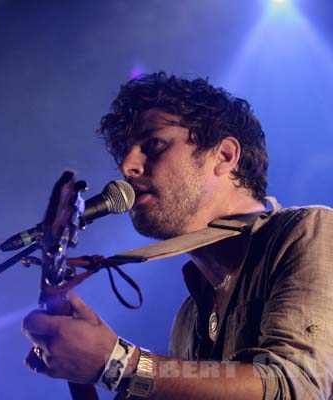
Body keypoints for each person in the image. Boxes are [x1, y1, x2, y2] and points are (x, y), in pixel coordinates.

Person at [21, 72, 333, 399]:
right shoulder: (188, 318)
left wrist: (117, 363)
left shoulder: (311, 232)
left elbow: (297, 387)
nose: (128, 166)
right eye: (122, 155)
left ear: (224, 155)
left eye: (154, 144)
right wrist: (88, 365)